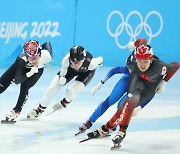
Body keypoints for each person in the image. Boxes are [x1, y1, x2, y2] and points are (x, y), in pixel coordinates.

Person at [86, 40, 179, 147]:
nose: (142, 64)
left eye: (145, 61)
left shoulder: (160, 67)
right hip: (138, 82)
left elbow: (176, 65)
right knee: (125, 105)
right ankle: (117, 131)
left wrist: (163, 82)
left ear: (151, 59)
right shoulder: (133, 65)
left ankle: (108, 129)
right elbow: (142, 41)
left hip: (150, 87)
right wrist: (134, 44)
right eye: (140, 61)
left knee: (128, 106)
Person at [77, 38, 155, 134]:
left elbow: (151, 93)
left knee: (122, 107)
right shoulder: (129, 68)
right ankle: (89, 121)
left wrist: (141, 107)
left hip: (138, 86)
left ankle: (112, 125)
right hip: (127, 80)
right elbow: (114, 70)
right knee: (110, 100)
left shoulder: (152, 73)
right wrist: (100, 83)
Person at [27, 45, 103, 118]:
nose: (75, 65)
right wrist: (62, 77)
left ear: (83, 60)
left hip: (86, 73)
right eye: (73, 61)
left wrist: (65, 102)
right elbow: (63, 70)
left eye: (78, 62)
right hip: (69, 70)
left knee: (71, 91)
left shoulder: (91, 63)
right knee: (52, 88)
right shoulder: (66, 60)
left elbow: (100, 58)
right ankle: (39, 110)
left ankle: (66, 101)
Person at [0, 40, 52, 122]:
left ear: (40, 53)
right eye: (30, 58)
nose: (33, 61)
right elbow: (17, 80)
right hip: (23, 69)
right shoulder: (21, 59)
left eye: (35, 58)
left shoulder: (47, 55)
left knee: (25, 86)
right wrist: (28, 74)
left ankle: (17, 109)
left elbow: (47, 43)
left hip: (37, 70)